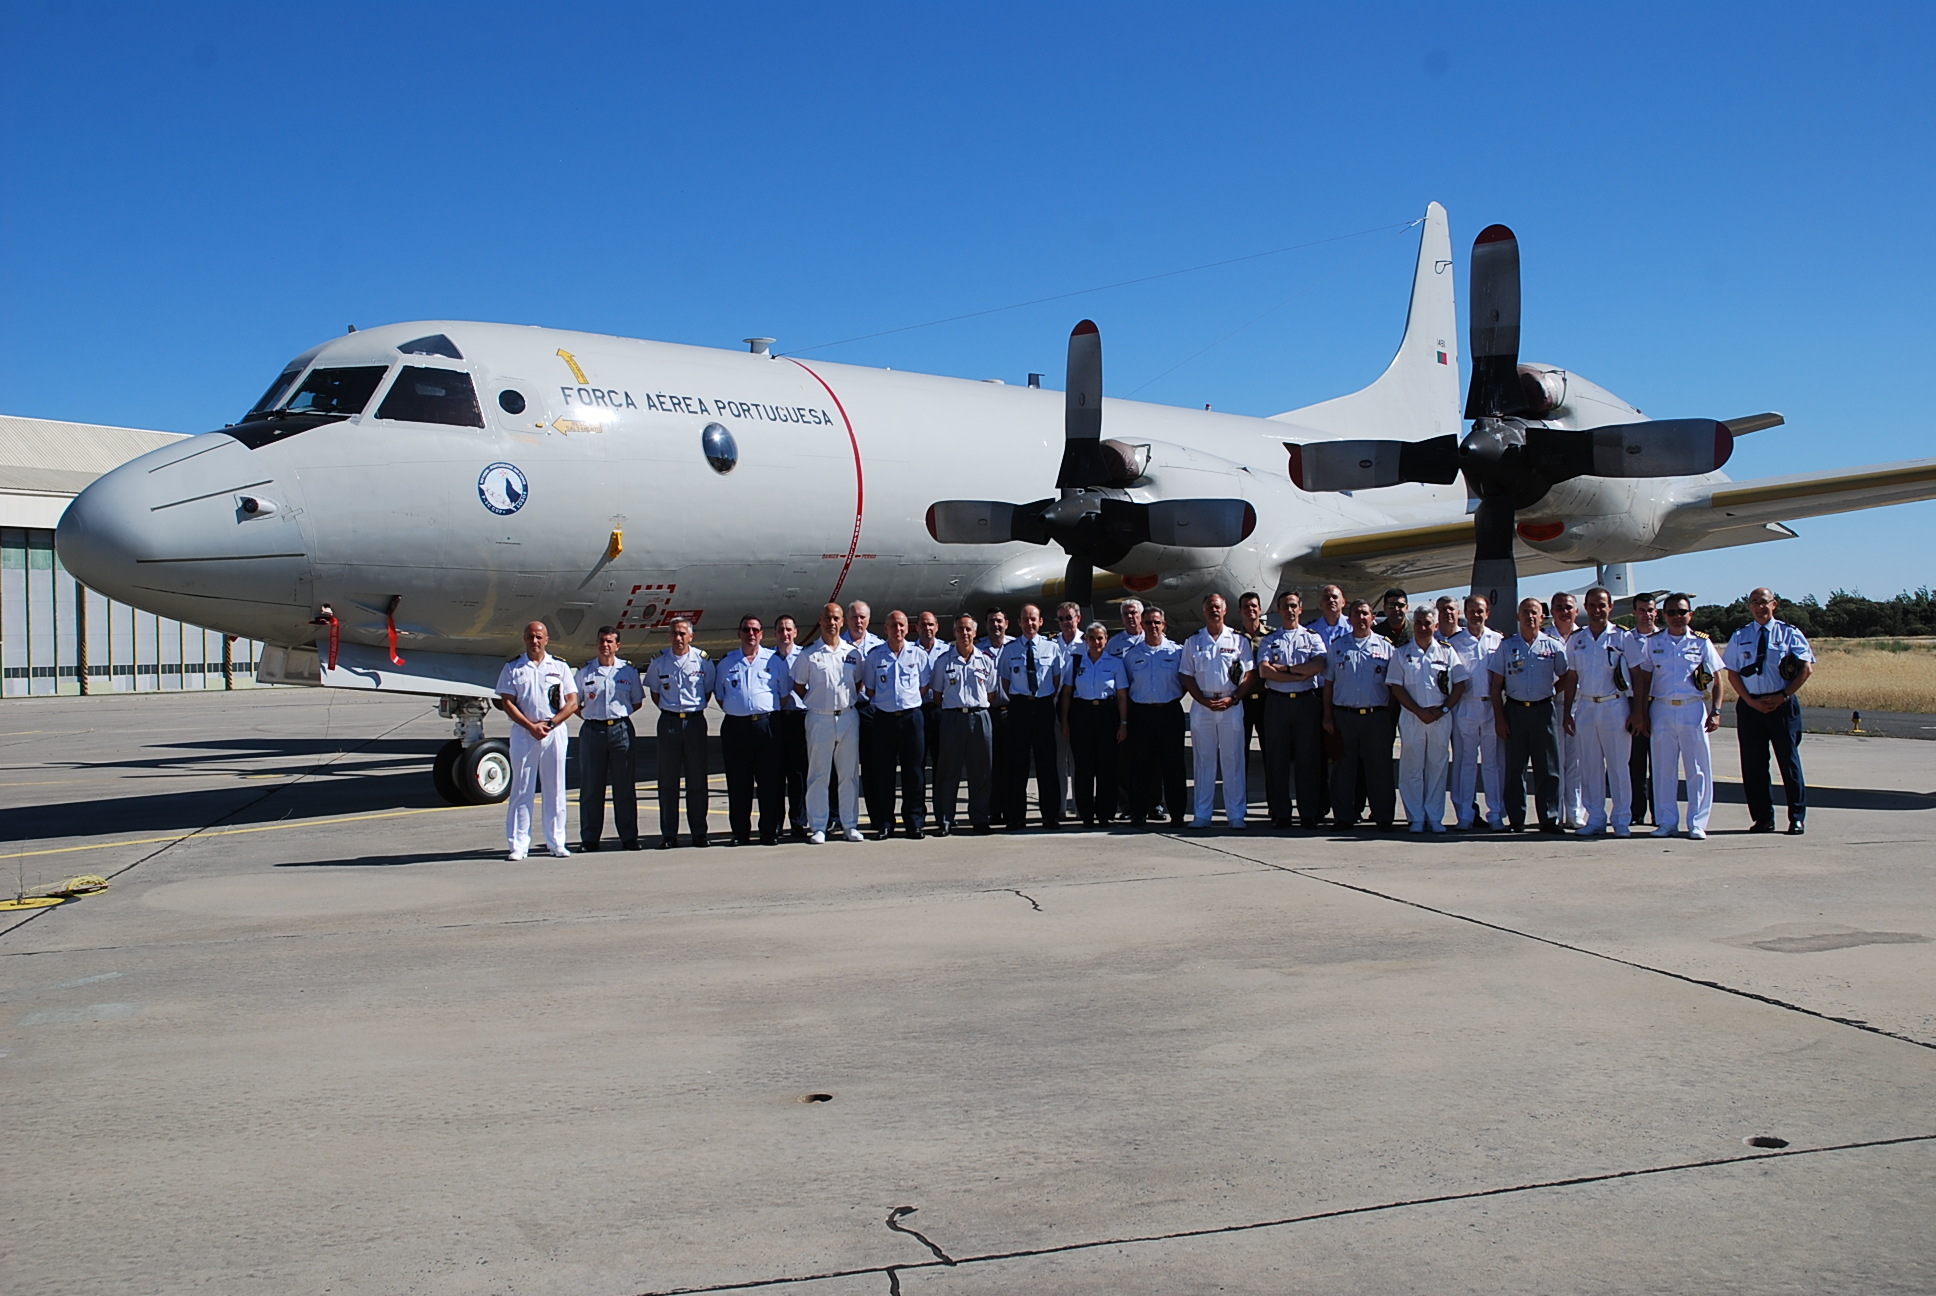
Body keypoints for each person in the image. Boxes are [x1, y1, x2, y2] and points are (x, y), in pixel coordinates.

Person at [1724, 587, 1815, 835]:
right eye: (1754, 603)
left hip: (1782, 706)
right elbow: (1732, 673)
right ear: (1749, 607)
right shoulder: (1740, 635)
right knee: (1754, 766)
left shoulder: (1789, 634)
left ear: (1774, 605)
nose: (1759, 607)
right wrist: (1750, 702)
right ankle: (1763, 818)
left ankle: (1796, 817)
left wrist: (1784, 695)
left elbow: (1806, 668)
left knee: (1789, 763)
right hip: (1751, 706)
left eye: (1764, 602)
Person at [1634, 593, 1724, 839]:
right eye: (1671, 612)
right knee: (1663, 769)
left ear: (1690, 614)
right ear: (1664, 615)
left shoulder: (1702, 643)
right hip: (1662, 708)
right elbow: (1644, 679)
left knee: (1698, 768)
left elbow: (1717, 679)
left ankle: (1697, 822)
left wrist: (1716, 711)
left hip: (1692, 708)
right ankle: (1666, 821)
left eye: (1681, 612)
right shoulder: (1653, 643)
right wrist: (1641, 712)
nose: (1676, 617)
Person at [1562, 586, 1645, 837]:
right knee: (1590, 765)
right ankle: (1595, 817)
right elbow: (1571, 677)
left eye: (1602, 605)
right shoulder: (1577, 640)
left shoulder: (1623, 637)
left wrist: (1638, 711)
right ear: (1585, 608)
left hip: (1615, 705)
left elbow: (1638, 676)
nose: (1598, 610)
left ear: (1610, 608)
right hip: (1586, 705)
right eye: (1593, 605)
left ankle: (1621, 819)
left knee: (1619, 765)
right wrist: (1567, 712)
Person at [1488, 598, 1575, 833]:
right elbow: (1496, 686)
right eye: (1525, 612)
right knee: (1515, 767)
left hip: (1544, 710)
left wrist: (1552, 691)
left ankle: (1549, 818)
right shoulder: (1506, 647)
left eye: (1535, 613)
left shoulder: (1553, 646)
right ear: (1518, 617)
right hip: (1515, 710)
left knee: (1548, 767)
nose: (1530, 617)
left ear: (1542, 616)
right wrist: (1500, 717)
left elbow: (1567, 675)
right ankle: (1516, 818)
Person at [496, 620, 578, 860]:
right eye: (531, 637)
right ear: (524, 639)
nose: (535, 641)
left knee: (555, 788)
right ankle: (519, 844)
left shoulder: (559, 667)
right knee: (522, 788)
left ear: (547, 639)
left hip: (554, 731)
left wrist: (551, 724)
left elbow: (572, 702)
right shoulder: (513, 667)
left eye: (539, 637)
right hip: (525, 732)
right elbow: (507, 702)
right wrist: (530, 726)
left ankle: (556, 842)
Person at [714, 615, 791, 846]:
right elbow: (720, 696)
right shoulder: (727, 662)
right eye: (746, 630)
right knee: (739, 782)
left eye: (755, 630)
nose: (751, 634)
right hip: (736, 727)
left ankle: (769, 831)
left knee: (770, 781)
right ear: (739, 634)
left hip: (766, 725)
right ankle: (740, 832)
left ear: (761, 634)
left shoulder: (774, 661)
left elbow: (784, 694)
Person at [1180, 593, 1255, 829]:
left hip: (1230, 705)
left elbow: (1250, 674)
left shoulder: (1238, 641)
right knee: (1204, 761)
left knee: (1233, 760)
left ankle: (1236, 814)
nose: (1214, 611)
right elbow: (1186, 674)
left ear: (1225, 610)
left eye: (1218, 607)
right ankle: (1202, 814)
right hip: (1203, 706)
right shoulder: (1194, 641)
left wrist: (1234, 698)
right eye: (1210, 607)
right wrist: (1201, 699)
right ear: (1204, 611)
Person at [1390, 606, 1467, 832]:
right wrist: (1418, 711)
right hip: (1413, 717)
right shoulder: (1402, 653)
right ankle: (1415, 817)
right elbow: (1396, 687)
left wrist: (1443, 710)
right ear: (1414, 626)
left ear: (1435, 626)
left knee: (1437, 766)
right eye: (1419, 623)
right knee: (1411, 769)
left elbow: (1460, 683)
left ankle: (1435, 817)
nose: (1423, 627)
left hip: (1439, 717)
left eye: (1427, 623)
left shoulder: (1446, 651)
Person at [793, 603, 865, 844]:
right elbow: (799, 685)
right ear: (820, 621)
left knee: (849, 774)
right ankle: (819, 826)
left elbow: (858, 683)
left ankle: (850, 825)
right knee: (818, 774)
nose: (831, 623)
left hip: (847, 716)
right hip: (819, 717)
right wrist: (817, 701)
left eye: (836, 618)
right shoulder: (809, 654)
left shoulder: (853, 653)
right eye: (827, 618)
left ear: (842, 622)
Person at [1322, 599, 1396, 830]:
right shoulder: (1338, 646)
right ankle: (1343, 816)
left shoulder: (1386, 647)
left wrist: (1390, 718)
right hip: (1345, 716)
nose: (1361, 618)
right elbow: (1328, 685)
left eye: (1365, 614)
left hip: (1376, 716)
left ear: (1373, 618)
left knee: (1380, 768)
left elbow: (1394, 687)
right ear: (1350, 618)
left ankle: (1383, 816)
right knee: (1343, 768)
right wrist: (1327, 716)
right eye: (1356, 614)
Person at [1258, 590, 1327, 828]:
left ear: (1300, 608)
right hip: (1277, 702)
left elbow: (1317, 666)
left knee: (1308, 758)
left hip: (1306, 702)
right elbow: (1265, 672)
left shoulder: (1312, 637)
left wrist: (1284, 670)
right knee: (1277, 759)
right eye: (1285, 606)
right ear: (1278, 610)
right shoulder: (1270, 639)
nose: (1289, 610)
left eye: (1293, 606)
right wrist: (1298, 671)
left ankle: (1308, 812)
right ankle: (1281, 812)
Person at [861, 610, 932, 839]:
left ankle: (914, 821)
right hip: (884, 719)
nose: (898, 630)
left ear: (907, 628)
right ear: (886, 629)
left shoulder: (917, 654)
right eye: (893, 625)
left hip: (911, 717)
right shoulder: (875, 656)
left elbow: (924, 686)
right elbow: (870, 689)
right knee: (884, 772)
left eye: (901, 625)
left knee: (914, 771)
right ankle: (885, 822)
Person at [573, 625, 643, 852]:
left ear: (617, 646)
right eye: (602, 641)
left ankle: (629, 837)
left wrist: (617, 718)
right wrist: (589, 716)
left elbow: (636, 701)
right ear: (597, 643)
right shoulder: (585, 672)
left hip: (620, 729)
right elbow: (575, 703)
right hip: (593, 730)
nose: (606, 645)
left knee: (624, 788)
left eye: (610, 641)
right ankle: (590, 839)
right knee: (592, 788)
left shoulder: (628, 672)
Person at [647, 617, 716, 848]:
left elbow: (706, 693)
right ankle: (669, 834)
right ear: (669, 636)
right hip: (669, 722)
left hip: (695, 722)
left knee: (697, 780)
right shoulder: (659, 662)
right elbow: (656, 694)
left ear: (691, 637)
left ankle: (699, 832)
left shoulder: (703, 661)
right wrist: (673, 712)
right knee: (668, 782)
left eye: (682, 634)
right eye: (674, 634)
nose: (678, 638)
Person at [996, 604, 1065, 830]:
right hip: (1019, 707)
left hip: (1044, 706)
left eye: (1033, 619)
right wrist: (1021, 699)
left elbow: (1057, 680)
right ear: (1019, 623)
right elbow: (1005, 681)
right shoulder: (1010, 649)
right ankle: (1016, 817)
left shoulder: (1052, 648)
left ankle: (1050, 815)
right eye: (1025, 620)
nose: (1030, 624)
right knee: (1018, 764)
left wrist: (1043, 699)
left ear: (1041, 621)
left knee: (1047, 763)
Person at [933, 613, 998, 834]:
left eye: (968, 629)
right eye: (960, 629)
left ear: (975, 632)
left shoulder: (985, 660)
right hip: (953, 718)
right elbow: (937, 694)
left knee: (981, 771)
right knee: (948, 770)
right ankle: (945, 819)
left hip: (979, 716)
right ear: (954, 633)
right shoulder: (944, 660)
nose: (964, 634)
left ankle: (980, 818)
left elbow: (991, 692)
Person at [1123, 606, 1187, 827]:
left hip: (1169, 711)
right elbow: (1129, 683)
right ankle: (1139, 812)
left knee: (1174, 766)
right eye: (1148, 623)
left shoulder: (1176, 652)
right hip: (1142, 714)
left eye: (1156, 623)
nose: (1152, 627)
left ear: (1164, 625)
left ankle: (1177, 814)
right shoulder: (1132, 655)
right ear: (1142, 625)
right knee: (1140, 766)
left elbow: (1184, 682)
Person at [1061, 621, 1130, 827]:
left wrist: (1123, 723)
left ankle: (1105, 812)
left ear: (1106, 640)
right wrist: (1064, 720)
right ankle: (1085, 813)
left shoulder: (1115, 663)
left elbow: (1122, 696)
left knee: (1106, 765)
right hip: (1082, 713)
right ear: (1086, 640)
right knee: (1083, 766)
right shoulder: (1075, 662)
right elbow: (1066, 693)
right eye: (1092, 638)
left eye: (1100, 638)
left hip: (1106, 714)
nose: (1096, 642)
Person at [1447, 594, 1505, 831]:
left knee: (1492, 763)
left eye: (1480, 610)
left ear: (1487, 613)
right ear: (1464, 613)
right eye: (1471, 610)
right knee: (1466, 763)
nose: (1475, 614)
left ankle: (1496, 813)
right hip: (1466, 705)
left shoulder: (1498, 640)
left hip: (1491, 706)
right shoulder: (1455, 642)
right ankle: (1465, 814)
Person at [1548, 590, 1587, 829]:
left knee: (1576, 762)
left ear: (1576, 611)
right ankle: (1555, 812)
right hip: (1552, 705)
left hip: (1579, 705)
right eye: (1559, 607)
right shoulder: (1544, 637)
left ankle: (1575, 811)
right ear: (1552, 612)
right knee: (1555, 762)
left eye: (1568, 608)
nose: (1564, 612)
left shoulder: (1583, 638)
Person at [772, 614, 810, 840]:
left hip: (798, 718)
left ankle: (798, 821)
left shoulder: (805, 656)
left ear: (795, 632)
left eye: (788, 629)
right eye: (780, 630)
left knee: (798, 775)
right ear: (775, 633)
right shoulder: (768, 658)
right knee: (776, 774)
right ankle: (776, 822)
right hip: (776, 719)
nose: (784, 634)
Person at [1626, 592, 1661, 825]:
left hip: (1659, 703)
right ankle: (1636, 811)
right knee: (1635, 761)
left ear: (1655, 612)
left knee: (1660, 762)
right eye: (1641, 610)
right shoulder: (1626, 638)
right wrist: (1637, 712)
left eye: (1650, 610)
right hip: (1633, 703)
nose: (1646, 614)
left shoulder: (1666, 638)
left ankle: (1660, 812)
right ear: (1634, 612)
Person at [978, 606, 1015, 826]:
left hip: (1010, 711)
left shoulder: (1015, 646)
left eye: (999, 621)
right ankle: (994, 809)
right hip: (988, 711)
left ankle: (1010, 809)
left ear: (1006, 624)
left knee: (1011, 764)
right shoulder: (979, 649)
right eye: (992, 621)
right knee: (989, 765)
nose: (996, 625)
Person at [1051, 600, 1085, 818]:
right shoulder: (1052, 645)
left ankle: (1082, 806)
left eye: (1069, 618)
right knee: (1058, 760)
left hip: (1079, 706)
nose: (1065, 622)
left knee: (1079, 761)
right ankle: (1060, 807)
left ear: (1078, 618)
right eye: (1061, 618)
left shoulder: (1087, 643)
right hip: (1056, 705)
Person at [914, 610, 946, 821]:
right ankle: (918, 814)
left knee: (941, 764)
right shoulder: (909, 651)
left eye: (931, 625)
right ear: (917, 628)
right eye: (923, 625)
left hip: (939, 710)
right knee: (916, 765)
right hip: (917, 710)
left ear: (937, 627)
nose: (927, 629)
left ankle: (941, 813)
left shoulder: (946, 651)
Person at [1235, 591, 1272, 766]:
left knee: (1271, 752)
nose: (1250, 610)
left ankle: (1273, 792)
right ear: (1239, 611)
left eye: (1253, 606)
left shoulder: (1272, 636)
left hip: (1266, 699)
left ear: (1260, 610)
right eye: (1246, 607)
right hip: (1242, 700)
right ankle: (1240, 793)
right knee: (1240, 754)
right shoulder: (1233, 639)